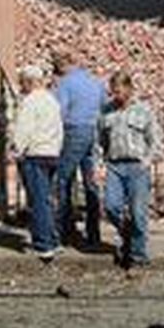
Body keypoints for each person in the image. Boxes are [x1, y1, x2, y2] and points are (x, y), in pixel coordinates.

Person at [96, 71, 163, 272]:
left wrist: (147, 162)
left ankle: (138, 256)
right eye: (113, 91)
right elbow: (99, 142)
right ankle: (127, 232)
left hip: (137, 166)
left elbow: (155, 141)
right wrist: (100, 164)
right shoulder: (106, 111)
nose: (115, 96)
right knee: (111, 206)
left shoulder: (144, 111)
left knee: (138, 213)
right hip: (115, 165)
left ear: (129, 89)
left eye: (119, 91)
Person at [51, 50, 106, 249]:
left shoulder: (65, 83)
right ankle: (93, 234)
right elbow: (104, 107)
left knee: (63, 180)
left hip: (73, 131)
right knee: (91, 184)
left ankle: (64, 231)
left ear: (61, 67)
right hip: (94, 132)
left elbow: (60, 111)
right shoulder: (96, 81)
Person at [11, 63, 63, 261]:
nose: (21, 86)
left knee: (37, 200)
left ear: (29, 82)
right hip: (52, 153)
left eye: (22, 82)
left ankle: (43, 244)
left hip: (35, 154)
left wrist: (16, 149)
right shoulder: (52, 100)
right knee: (47, 199)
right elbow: (59, 129)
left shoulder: (30, 101)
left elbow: (24, 129)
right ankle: (54, 239)